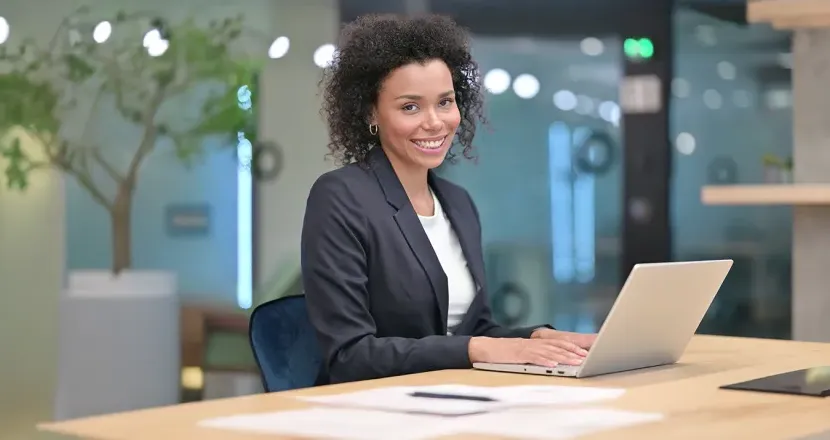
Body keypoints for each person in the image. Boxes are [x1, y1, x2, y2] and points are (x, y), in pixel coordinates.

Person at [301, 13, 596, 385]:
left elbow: (475, 329)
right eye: (410, 107)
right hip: (374, 409)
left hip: (453, 395)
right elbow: (350, 355)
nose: (435, 122)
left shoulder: (458, 203)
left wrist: (541, 339)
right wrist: (477, 349)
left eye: (445, 102)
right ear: (371, 113)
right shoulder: (340, 198)